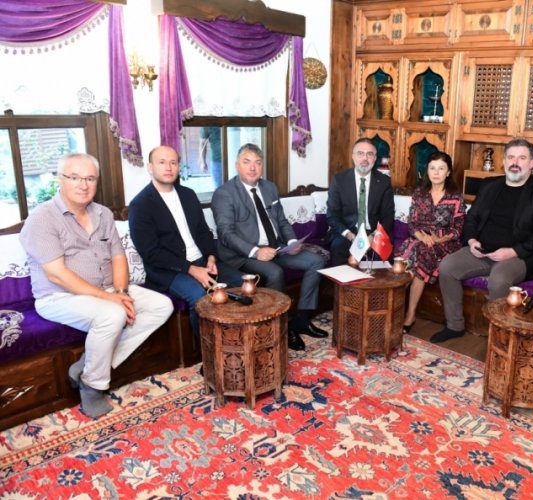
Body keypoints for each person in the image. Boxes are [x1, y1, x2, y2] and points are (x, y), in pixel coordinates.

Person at [19, 153, 173, 419]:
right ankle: (92, 386)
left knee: (162, 305)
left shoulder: (102, 213)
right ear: (60, 180)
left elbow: (118, 257)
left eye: (90, 178)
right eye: (75, 177)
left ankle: (87, 367)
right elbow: (57, 275)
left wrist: (121, 293)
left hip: (107, 290)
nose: (83, 185)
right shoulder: (42, 218)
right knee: (112, 314)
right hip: (60, 296)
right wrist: (110, 299)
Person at [431, 138, 533, 343]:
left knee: (499, 278)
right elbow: (472, 218)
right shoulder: (490, 185)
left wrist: (513, 252)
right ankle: (454, 325)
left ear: (532, 163)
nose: (515, 162)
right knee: (447, 266)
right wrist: (472, 241)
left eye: (522, 158)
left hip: (520, 255)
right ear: (504, 161)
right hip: (483, 250)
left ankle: (498, 337)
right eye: (511, 157)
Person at [211, 143, 327, 351]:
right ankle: (280, 328)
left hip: (275, 248)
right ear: (237, 165)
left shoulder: (269, 188)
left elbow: (281, 221)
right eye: (247, 162)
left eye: (257, 163)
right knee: (275, 272)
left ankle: (301, 319)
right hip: (244, 255)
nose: (252, 168)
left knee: (316, 261)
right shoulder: (224, 193)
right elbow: (226, 234)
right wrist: (256, 252)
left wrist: (291, 242)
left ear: (262, 166)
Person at [128, 145, 236, 344]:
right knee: (200, 297)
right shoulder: (140, 205)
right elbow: (151, 253)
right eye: (162, 162)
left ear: (179, 167)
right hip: (169, 270)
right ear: (150, 167)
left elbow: (203, 231)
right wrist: (191, 269)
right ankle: (207, 353)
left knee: (240, 282)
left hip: (201, 260)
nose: (168, 167)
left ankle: (235, 341)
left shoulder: (188, 194)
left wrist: (211, 257)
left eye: (173, 162)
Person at [397, 151, 466, 334]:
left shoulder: (455, 197)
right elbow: (412, 223)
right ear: (427, 171)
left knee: (419, 254)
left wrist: (437, 238)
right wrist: (422, 237)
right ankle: (394, 309)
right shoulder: (419, 194)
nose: (436, 172)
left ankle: (409, 314)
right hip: (419, 240)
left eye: (441, 168)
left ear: (448, 172)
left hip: (446, 244)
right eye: (432, 168)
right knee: (406, 257)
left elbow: (458, 229)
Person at [326, 137, 395, 266]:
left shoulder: (384, 182)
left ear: (375, 158)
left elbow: (388, 217)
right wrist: (350, 236)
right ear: (353, 157)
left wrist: (373, 236)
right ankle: (342, 280)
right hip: (347, 232)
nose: (365, 158)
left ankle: (376, 280)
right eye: (360, 153)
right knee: (338, 247)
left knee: (384, 253)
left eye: (370, 154)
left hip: (374, 232)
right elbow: (332, 216)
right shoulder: (339, 180)